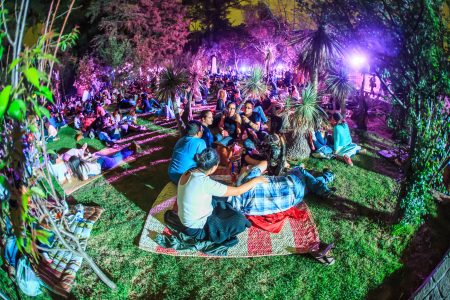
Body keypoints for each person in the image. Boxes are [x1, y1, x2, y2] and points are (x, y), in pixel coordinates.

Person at [174, 148, 267, 243]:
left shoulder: (189, 172)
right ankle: (216, 235)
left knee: (222, 200)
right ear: (214, 167)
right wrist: (256, 180)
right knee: (240, 221)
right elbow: (238, 191)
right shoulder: (204, 183)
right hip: (196, 228)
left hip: (188, 221)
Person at [68, 141, 140, 181]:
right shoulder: (82, 163)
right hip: (104, 161)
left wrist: (75, 174)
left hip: (105, 163)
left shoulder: (81, 169)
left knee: (120, 156)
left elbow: (84, 178)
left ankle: (133, 149)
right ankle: (132, 148)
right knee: (118, 155)